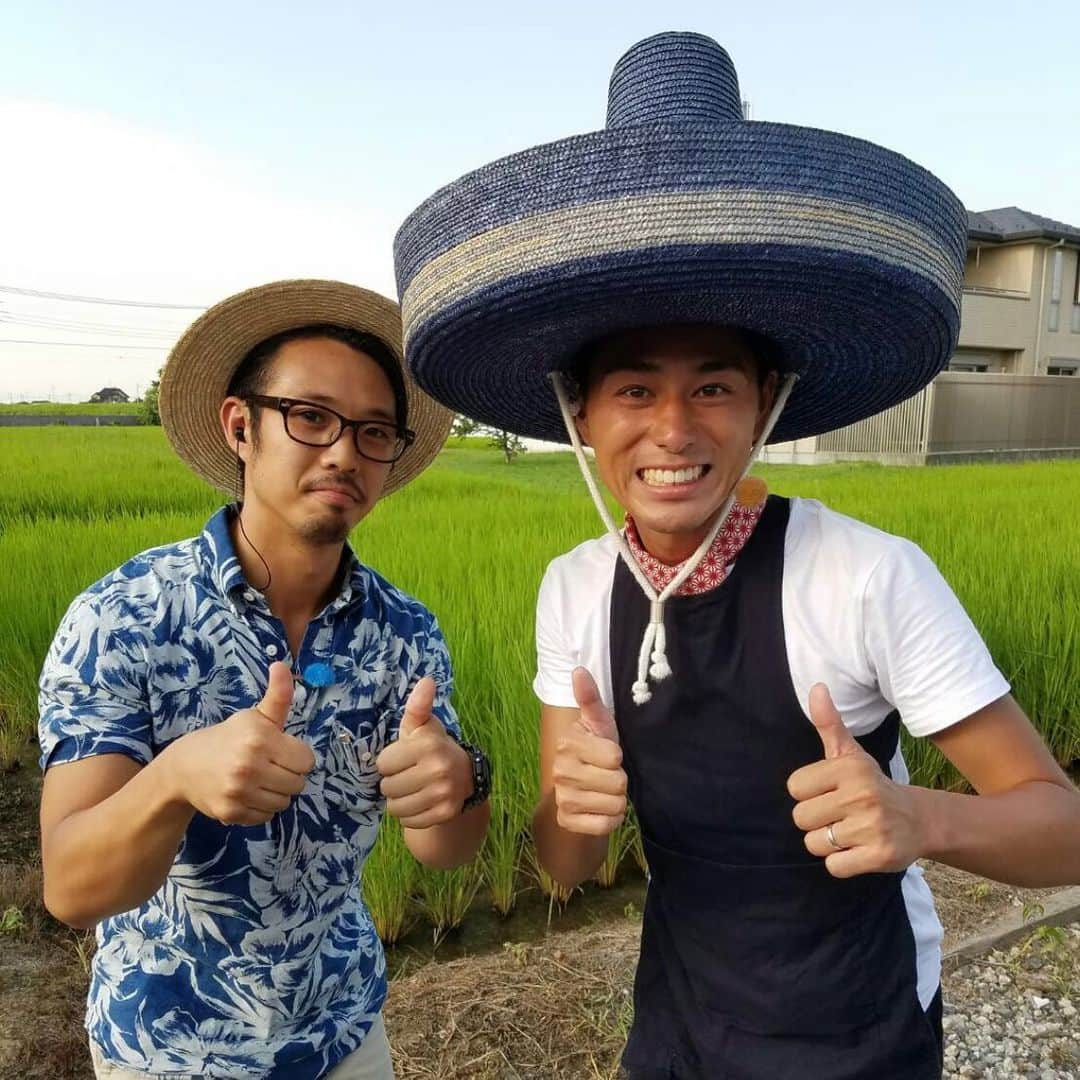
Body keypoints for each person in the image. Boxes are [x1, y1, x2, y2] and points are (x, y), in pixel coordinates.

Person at [392, 32, 1080, 1079]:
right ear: (579, 414)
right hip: (674, 1022)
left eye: (714, 386)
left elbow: (1060, 829)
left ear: (767, 405)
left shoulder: (865, 576)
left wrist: (920, 816)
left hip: (858, 1028)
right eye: (633, 389)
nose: (674, 427)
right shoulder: (574, 589)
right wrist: (571, 814)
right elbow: (563, 861)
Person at [37, 279, 492, 1080]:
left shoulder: (404, 632)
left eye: (373, 430)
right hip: (166, 1050)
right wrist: (175, 779)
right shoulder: (123, 617)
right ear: (240, 425)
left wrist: (461, 779)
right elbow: (72, 889)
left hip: (344, 1037)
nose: (344, 451)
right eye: (311, 417)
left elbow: (443, 849)